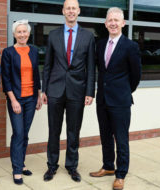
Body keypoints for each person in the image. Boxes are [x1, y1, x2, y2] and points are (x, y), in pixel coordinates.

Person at [42, 0, 95, 183]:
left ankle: (72, 166)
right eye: (68, 8)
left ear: (78, 11)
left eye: (74, 8)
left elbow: (90, 67)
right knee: (53, 130)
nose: (71, 11)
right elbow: (47, 65)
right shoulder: (53, 35)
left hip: (77, 92)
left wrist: (90, 92)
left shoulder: (88, 36)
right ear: (63, 11)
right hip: (55, 90)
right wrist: (44, 90)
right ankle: (52, 166)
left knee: (73, 131)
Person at [89, 7, 141, 190]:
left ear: (123, 23)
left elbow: (136, 76)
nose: (113, 23)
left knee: (121, 138)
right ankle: (108, 166)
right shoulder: (101, 44)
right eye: (110, 20)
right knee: (105, 136)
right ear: (105, 23)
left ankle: (121, 174)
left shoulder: (131, 46)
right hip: (102, 100)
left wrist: (124, 92)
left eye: (116, 20)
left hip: (120, 101)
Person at [1, 19, 42, 185]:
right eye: (19, 32)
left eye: (25, 31)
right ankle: (17, 170)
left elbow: (37, 75)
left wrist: (39, 96)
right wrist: (13, 100)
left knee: (24, 133)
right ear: (14, 34)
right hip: (16, 99)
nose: (22, 34)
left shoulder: (34, 50)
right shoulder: (8, 52)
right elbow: (6, 79)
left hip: (31, 98)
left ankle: (21, 163)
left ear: (29, 33)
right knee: (18, 133)